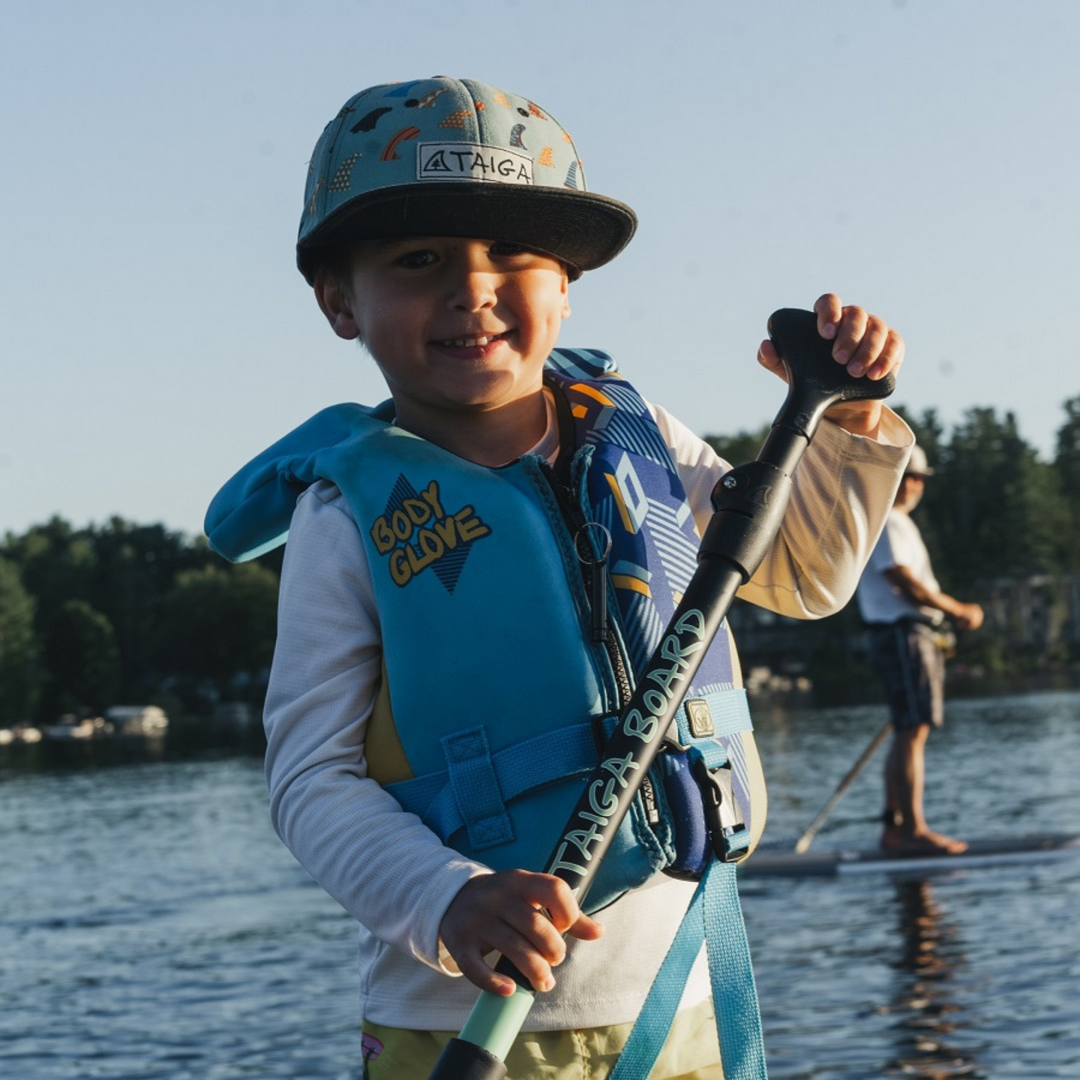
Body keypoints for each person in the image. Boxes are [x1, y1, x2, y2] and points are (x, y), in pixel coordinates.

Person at [206, 76, 912, 1079]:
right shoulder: (343, 515)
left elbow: (805, 574)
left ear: (568, 286)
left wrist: (848, 426)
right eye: (418, 260)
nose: (472, 288)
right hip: (466, 1023)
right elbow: (312, 782)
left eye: (516, 255)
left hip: (683, 993)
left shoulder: (640, 436)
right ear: (337, 300)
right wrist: (447, 898)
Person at [856, 444, 984, 856]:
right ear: (891, 478)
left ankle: (897, 831)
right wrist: (959, 609)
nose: (915, 484)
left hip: (906, 635)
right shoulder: (889, 521)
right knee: (912, 733)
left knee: (910, 731)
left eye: (920, 478)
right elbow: (903, 581)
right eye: (908, 475)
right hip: (902, 634)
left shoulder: (896, 523)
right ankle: (910, 831)